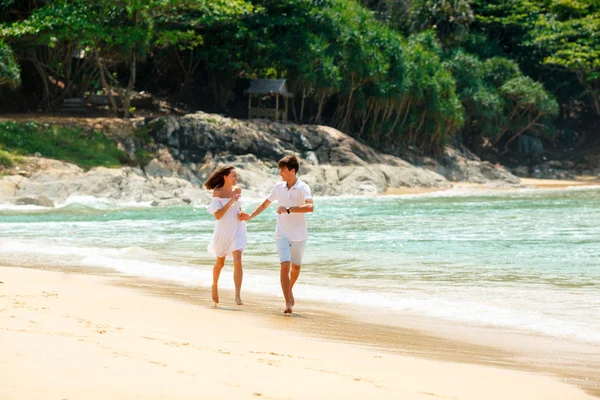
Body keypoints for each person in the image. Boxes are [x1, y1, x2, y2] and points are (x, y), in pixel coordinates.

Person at [241, 155, 314, 314]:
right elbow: (265, 204)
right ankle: (288, 302)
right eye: (280, 171)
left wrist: (288, 210)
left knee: (296, 268)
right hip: (282, 233)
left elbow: (310, 207)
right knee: (284, 265)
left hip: (299, 234)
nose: (280, 174)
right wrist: (250, 217)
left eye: (283, 171)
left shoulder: (303, 187)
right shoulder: (278, 187)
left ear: (292, 171)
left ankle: (289, 290)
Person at [204, 165, 248, 306]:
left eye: (237, 176)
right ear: (226, 177)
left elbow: (240, 207)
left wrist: (242, 212)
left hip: (238, 228)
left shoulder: (238, 190)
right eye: (234, 176)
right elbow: (218, 215)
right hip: (223, 231)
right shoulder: (218, 192)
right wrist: (231, 202)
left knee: (238, 260)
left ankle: (237, 295)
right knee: (220, 263)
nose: (236, 178)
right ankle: (214, 285)